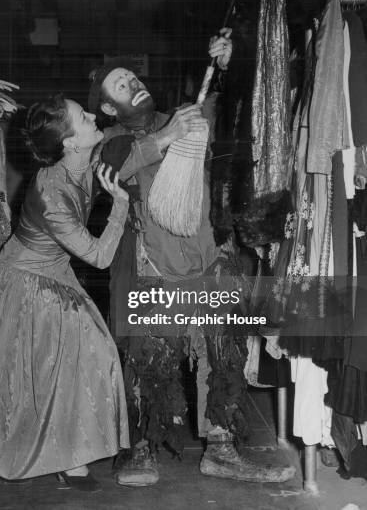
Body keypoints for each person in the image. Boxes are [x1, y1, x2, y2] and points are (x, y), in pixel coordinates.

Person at [88, 30, 296, 486]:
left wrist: (227, 67)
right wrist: (167, 136)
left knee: (219, 353)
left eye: (133, 77)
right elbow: (111, 175)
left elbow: (241, 123)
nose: (134, 83)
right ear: (108, 107)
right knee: (150, 358)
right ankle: (142, 449)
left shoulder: (181, 117)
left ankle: (220, 448)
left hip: (207, 260)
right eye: (121, 85)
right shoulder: (110, 140)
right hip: (151, 270)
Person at [0, 94, 130, 491]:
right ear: (70, 142)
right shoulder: (50, 191)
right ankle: (54, 455)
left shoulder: (83, 154)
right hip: (24, 280)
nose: (91, 116)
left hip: (55, 272)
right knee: (44, 368)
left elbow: (125, 139)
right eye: (83, 117)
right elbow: (101, 258)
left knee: (85, 355)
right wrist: (119, 204)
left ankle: (72, 454)